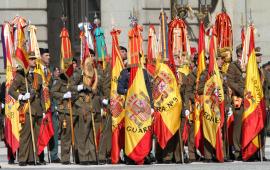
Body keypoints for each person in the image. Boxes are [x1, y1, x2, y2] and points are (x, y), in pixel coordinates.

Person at [9, 52, 45, 166]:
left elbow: (42, 94)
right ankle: (23, 158)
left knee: (35, 134)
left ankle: (32, 158)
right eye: (31, 59)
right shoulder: (20, 76)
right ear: (26, 61)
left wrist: (43, 110)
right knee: (26, 134)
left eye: (35, 59)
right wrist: (21, 96)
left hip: (38, 108)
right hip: (27, 107)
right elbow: (11, 90)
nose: (34, 61)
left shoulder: (38, 76)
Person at [227, 44, 245, 160]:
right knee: (238, 126)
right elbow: (230, 81)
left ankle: (248, 150)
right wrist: (241, 90)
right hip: (239, 98)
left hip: (250, 99)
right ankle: (237, 151)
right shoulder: (233, 66)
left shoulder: (249, 64)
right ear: (239, 53)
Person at [49, 66, 61, 163]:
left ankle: (56, 154)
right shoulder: (50, 81)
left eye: (58, 71)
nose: (58, 72)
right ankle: (53, 155)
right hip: (52, 110)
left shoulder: (61, 81)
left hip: (62, 109)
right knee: (54, 133)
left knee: (60, 133)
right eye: (56, 71)